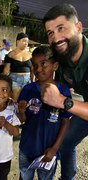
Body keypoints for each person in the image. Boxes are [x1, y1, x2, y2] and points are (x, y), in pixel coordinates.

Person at [42, 3, 88, 179]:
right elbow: (59, 88)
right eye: (50, 33)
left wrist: (62, 101)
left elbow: (61, 99)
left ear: (78, 27)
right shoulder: (64, 59)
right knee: (65, 142)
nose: (56, 37)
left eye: (61, 28)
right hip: (84, 108)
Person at [17, 45, 72, 180]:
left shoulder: (63, 92)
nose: (38, 69)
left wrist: (55, 148)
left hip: (48, 151)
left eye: (43, 64)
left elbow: (66, 121)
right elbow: (22, 119)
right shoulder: (28, 89)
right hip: (26, 148)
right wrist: (21, 111)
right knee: (25, 177)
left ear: (55, 66)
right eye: (35, 65)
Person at [3, 32, 33, 101]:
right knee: (15, 100)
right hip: (14, 80)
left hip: (27, 80)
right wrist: (3, 81)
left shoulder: (30, 55)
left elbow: (32, 69)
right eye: (24, 41)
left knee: (26, 100)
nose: (26, 43)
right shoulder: (10, 55)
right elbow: (6, 70)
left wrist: (33, 80)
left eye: (27, 42)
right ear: (18, 41)